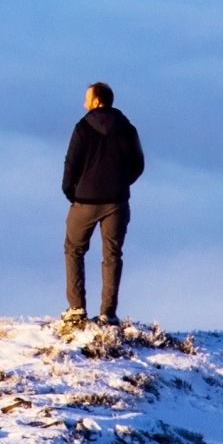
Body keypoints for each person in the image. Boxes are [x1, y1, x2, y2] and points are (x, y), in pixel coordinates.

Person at [60, 80, 143, 323]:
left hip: (84, 201)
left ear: (96, 101)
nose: (84, 102)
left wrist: (71, 191)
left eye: (87, 97)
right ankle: (108, 313)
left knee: (74, 250)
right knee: (112, 255)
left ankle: (76, 309)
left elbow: (71, 163)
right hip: (116, 202)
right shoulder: (128, 129)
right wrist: (121, 183)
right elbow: (138, 164)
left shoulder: (83, 127)